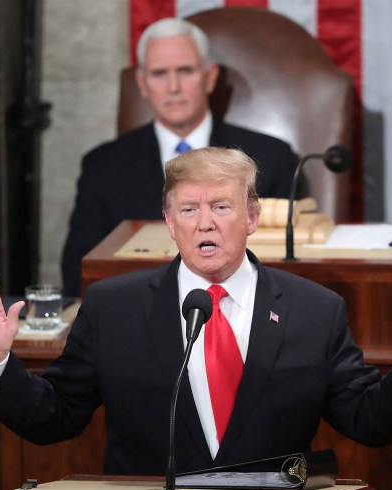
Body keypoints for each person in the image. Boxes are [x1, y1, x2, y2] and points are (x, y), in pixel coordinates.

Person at [0, 147, 392, 476]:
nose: (205, 224)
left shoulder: (315, 311)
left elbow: (368, 421)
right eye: (189, 209)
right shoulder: (114, 307)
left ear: (252, 217)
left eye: (221, 207)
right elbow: (54, 417)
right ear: (169, 223)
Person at [61, 17, 298, 298]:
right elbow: (79, 272)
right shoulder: (103, 166)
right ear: (142, 83)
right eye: (159, 74)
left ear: (209, 77)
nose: (173, 87)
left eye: (185, 71)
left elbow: (286, 270)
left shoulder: (270, 158)